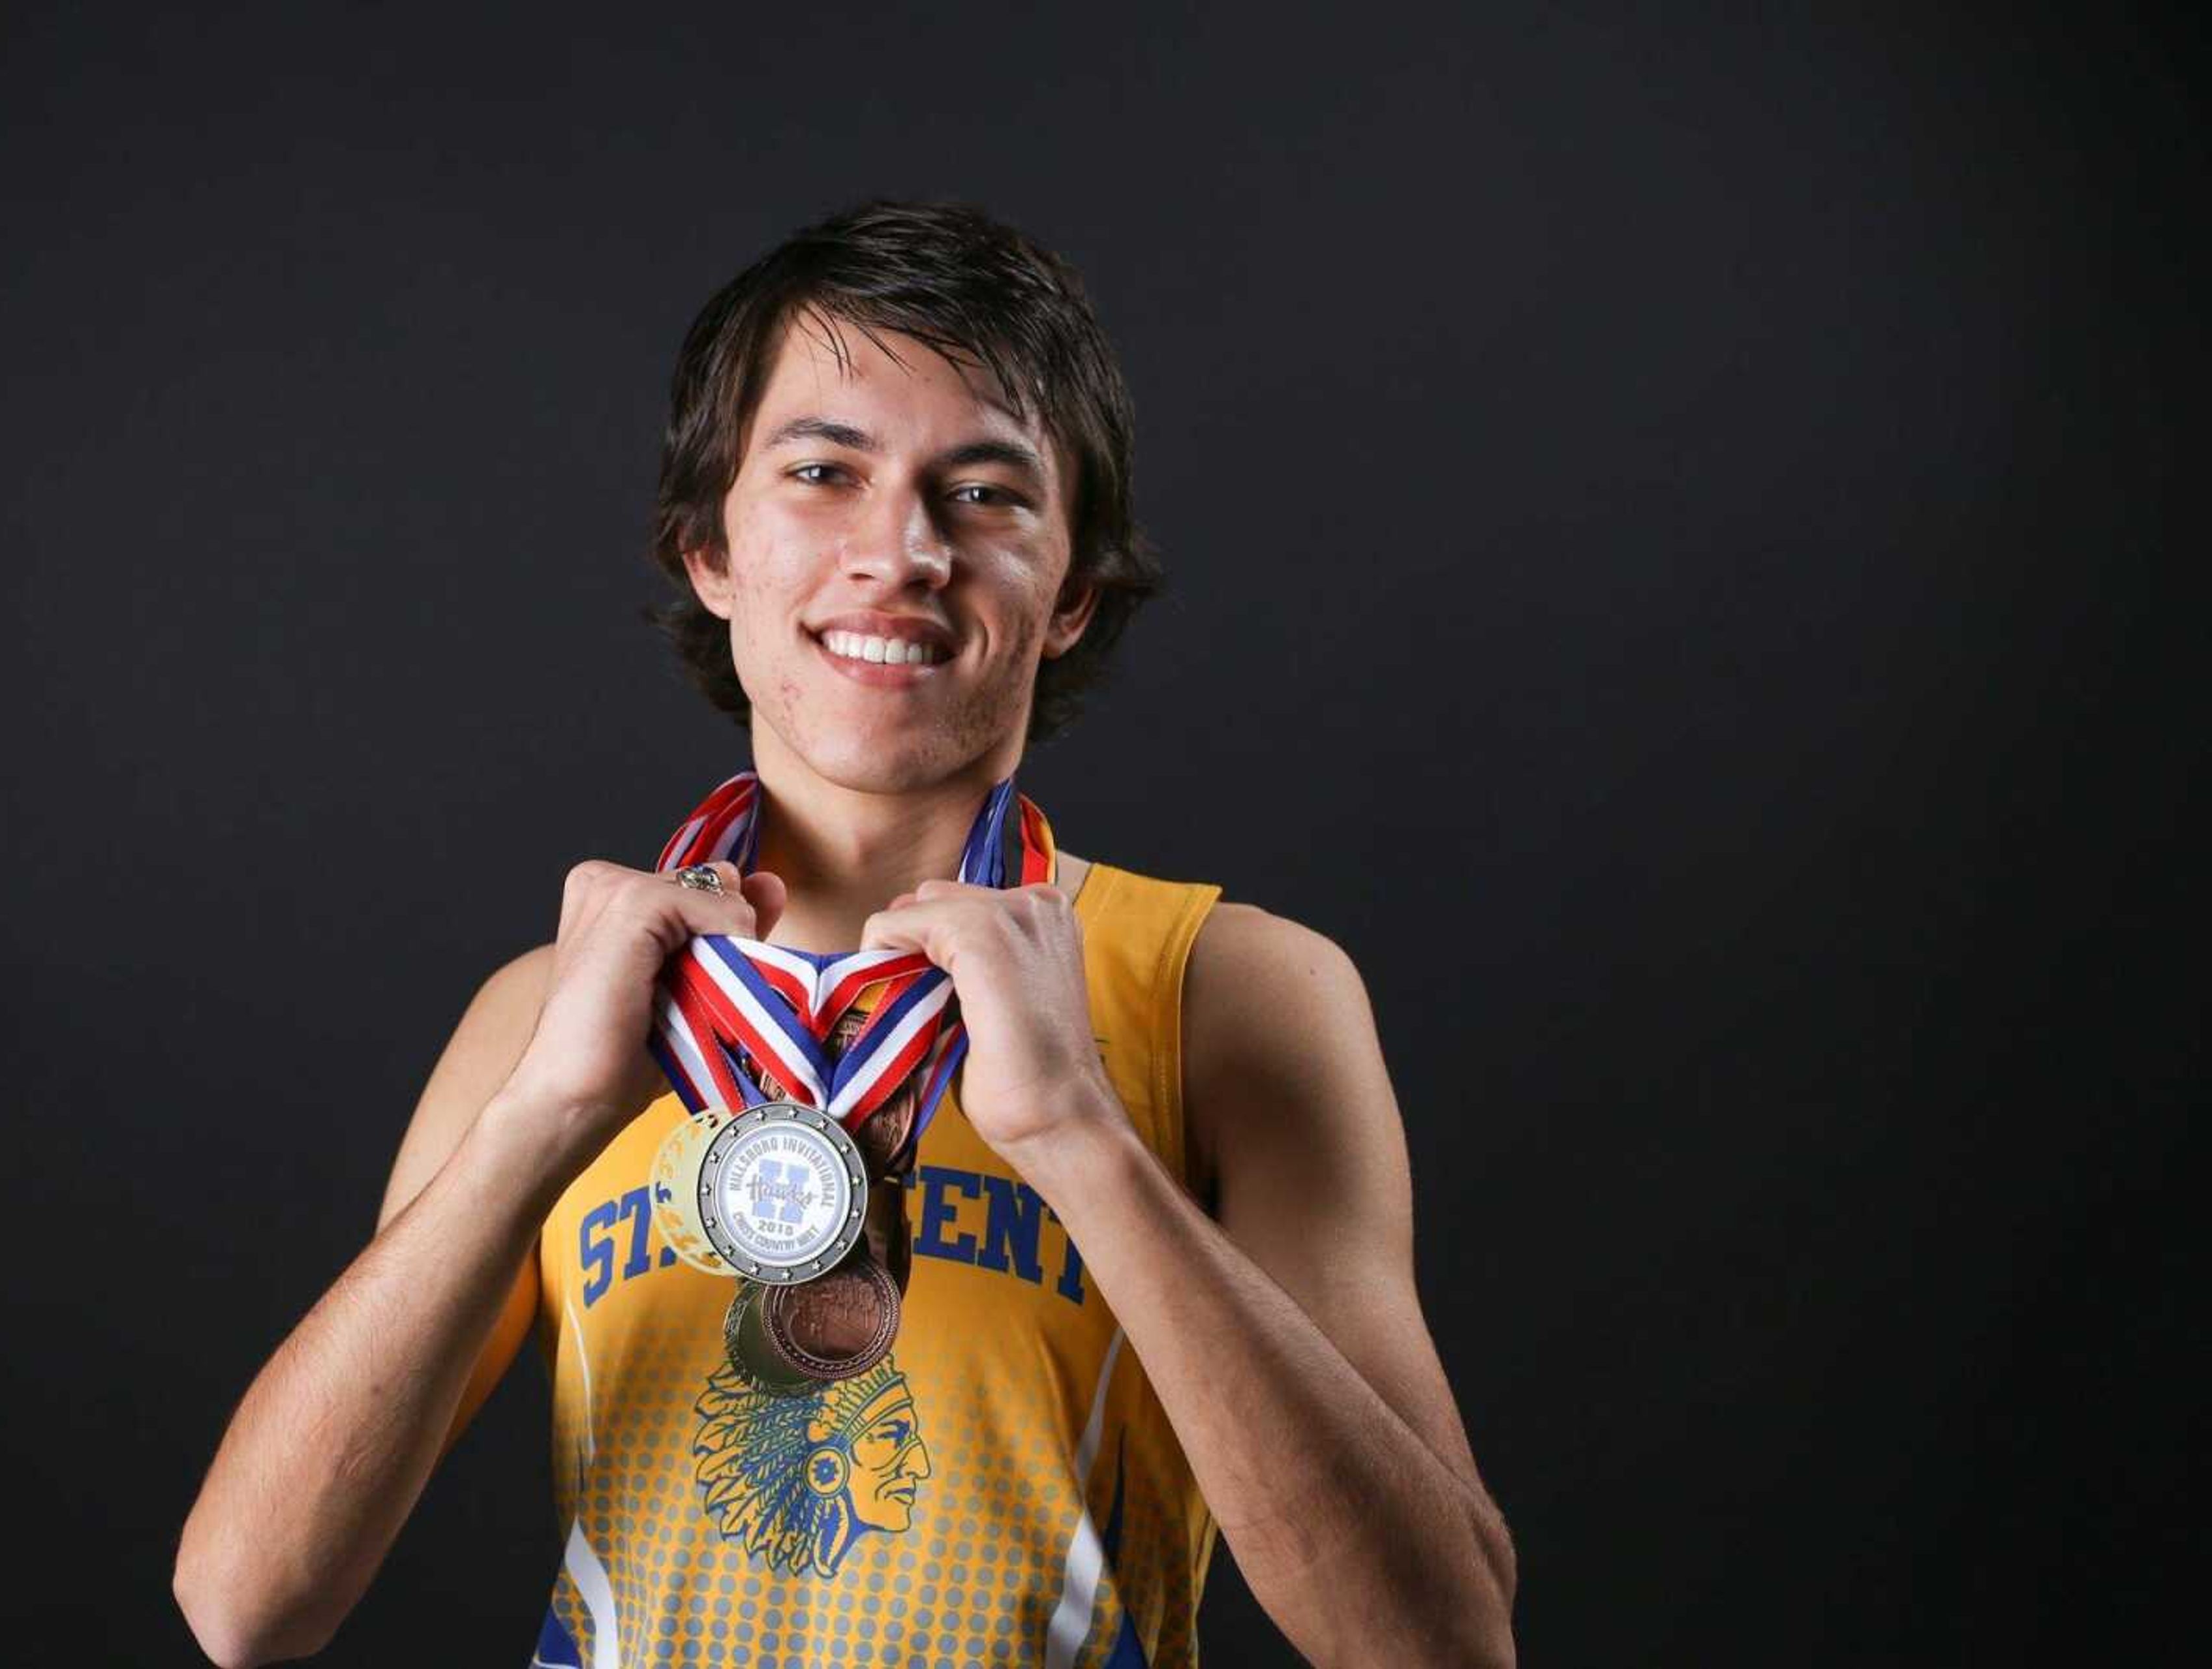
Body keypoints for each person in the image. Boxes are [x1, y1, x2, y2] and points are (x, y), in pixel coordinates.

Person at [174, 198, 1516, 1668]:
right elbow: (245, 1604)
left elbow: (1441, 1641)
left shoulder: (1231, 990)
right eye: (824, 471)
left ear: (1070, 590)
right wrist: (542, 1117)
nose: (903, 551)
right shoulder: (547, 1015)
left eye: (988, 493)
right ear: (709, 550)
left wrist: (1080, 1134)